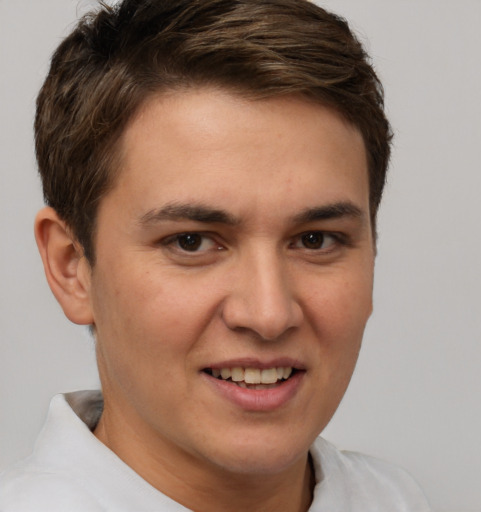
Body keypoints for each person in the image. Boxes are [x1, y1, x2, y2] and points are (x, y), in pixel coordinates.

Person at [0, 0, 431, 510]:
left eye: (315, 239)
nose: (269, 314)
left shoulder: (396, 501)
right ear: (72, 268)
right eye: (192, 242)